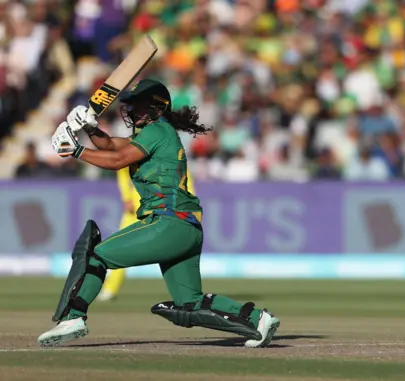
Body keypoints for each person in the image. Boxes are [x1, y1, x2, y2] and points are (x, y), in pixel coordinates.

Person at [41, 79, 279, 348]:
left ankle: (73, 317)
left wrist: (76, 150)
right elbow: (111, 147)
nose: (132, 110)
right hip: (185, 228)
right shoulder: (155, 134)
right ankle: (259, 320)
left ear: (157, 107)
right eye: (131, 105)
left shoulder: (157, 131)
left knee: (96, 255)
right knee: (190, 303)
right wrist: (88, 127)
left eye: (139, 104)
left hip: (168, 221)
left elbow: (117, 161)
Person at [97, 165, 197, 302]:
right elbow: (122, 170)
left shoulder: (171, 153)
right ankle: (110, 289)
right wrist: (126, 197)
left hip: (165, 209)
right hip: (137, 208)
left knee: (173, 249)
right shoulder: (138, 148)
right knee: (121, 247)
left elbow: (186, 178)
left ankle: (186, 291)